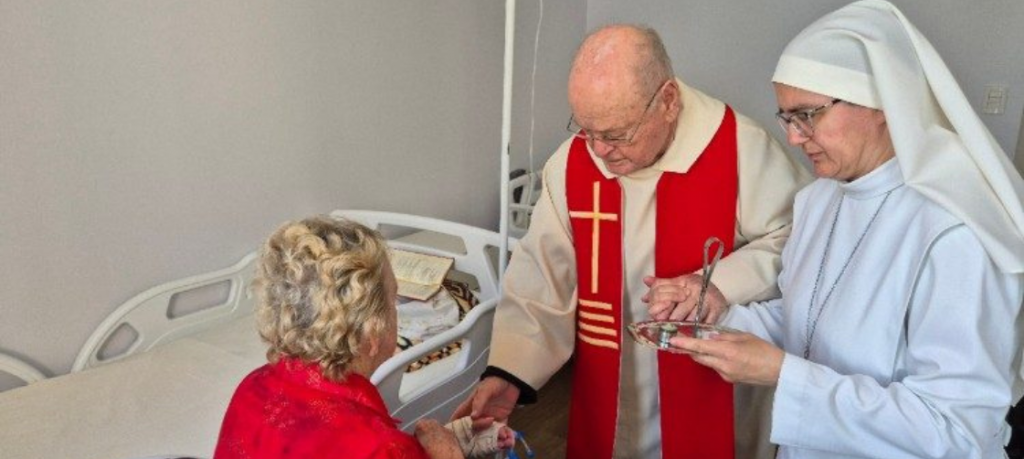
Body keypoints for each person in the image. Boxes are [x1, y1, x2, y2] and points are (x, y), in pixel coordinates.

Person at [657, 1, 1024, 458]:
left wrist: (783, 375)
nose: (792, 137)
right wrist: (715, 315)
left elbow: (956, 431)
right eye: (786, 117)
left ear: (883, 105)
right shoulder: (818, 200)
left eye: (807, 115)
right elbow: (803, 318)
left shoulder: (954, 234)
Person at [453, 24, 811, 458]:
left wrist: (720, 285)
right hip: (613, 388)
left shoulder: (742, 149)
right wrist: (509, 374)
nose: (599, 152)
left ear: (668, 101)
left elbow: (800, 242)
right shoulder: (573, 162)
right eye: (586, 129)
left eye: (616, 134)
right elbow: (544, 275)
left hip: (712, 383)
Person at [213, 216, 471, 459]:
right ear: (373, 330)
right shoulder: (382, 447)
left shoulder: (252, 386)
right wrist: (447, 452)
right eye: (393, 300)